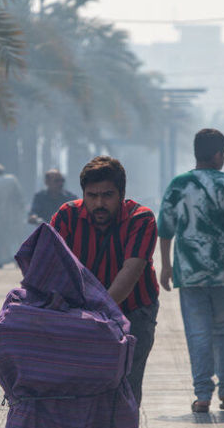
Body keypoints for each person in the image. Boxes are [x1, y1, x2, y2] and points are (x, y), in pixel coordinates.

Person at [157, 129, 224, 413]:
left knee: (197, 333)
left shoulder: (179, 185)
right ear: (217, 154)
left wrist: (166, 265)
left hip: (189, 272)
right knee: (223, 330)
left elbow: (165, 228)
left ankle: (203, 395)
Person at [50, 156, 159, 405]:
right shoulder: (67, 216)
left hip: (133, 310)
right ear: (83, 194)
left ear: (121, 194)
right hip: (80, 313)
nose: (99, 203)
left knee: (126, 385)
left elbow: (130, 271)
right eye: (92, 195)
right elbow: (51, 265)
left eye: (107, 195)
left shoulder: (141, 219)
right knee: (83, 385)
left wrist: (96, 315)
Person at [0, 164, 26, 268]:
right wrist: (22, 210)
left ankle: (0, 261)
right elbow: (20, 196)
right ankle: (18, 260)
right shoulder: (12, 180)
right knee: (16, 238)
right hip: (14, 214)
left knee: (0, 238)